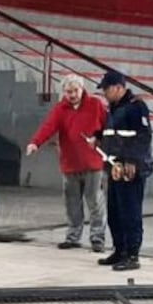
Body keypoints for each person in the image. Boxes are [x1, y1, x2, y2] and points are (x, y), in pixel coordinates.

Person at [26, 74, 107, 252]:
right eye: (68, 92)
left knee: (95, 202)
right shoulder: (59, 109)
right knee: (72, 203)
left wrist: (102, 141)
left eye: (75, 91)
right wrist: (35, 142)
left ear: (82, 89)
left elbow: (106, 126)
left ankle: (97, 238)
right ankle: (73, 237)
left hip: (92, 163)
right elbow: (48, 126)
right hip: (70, 164)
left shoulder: (95, 104)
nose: (72, 95)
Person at [94, 71, 152, 271]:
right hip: (114, 167)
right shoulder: (113, 108)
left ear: (118, 87)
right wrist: (98, 136)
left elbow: (143, 137)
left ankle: (132, 255)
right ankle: (120, 250)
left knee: (130, 213)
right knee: (114, 212)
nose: (104, 93)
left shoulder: (136, 107)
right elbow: (113, 134)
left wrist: (132, 161)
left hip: (130, 169)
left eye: (106, 89)